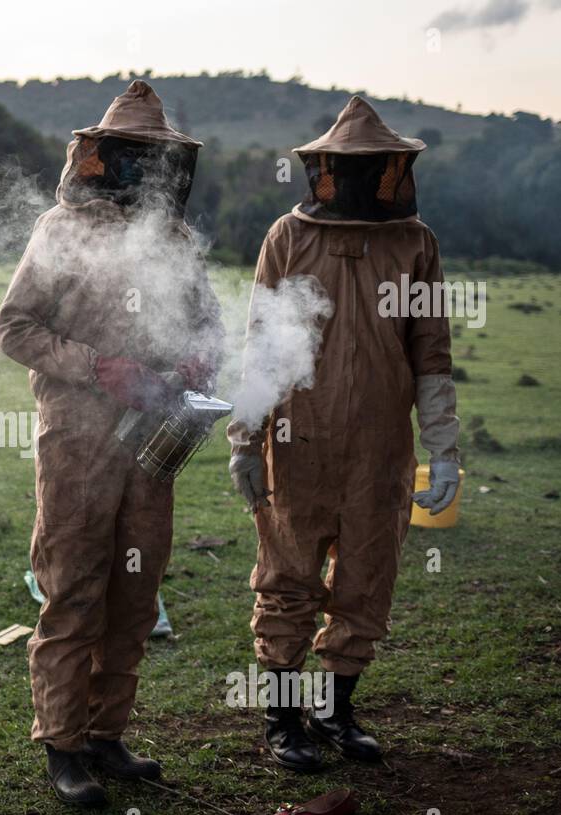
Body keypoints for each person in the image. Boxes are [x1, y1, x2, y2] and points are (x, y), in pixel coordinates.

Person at [0, 81, 223, 807]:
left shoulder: (177, 242)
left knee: (136, 592)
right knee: (73, 591)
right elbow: (14, 328)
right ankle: (63, 747)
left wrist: (197, 359)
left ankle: (105, 735)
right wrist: (99, 368)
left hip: (153, 445)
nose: (145, 172)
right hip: (78, 445)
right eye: (133, 157)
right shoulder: (61, 232)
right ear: (102, 158)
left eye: (156, 160)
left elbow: (209, 323)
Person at [228, 96, 461, 772]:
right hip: (299, 443)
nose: (360, 180)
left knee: (367, 580)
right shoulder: (288, 237)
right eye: (349, 167)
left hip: (382, 449)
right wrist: (246, 439)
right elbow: (262, 346)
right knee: (288, 579)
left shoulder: (415, 242)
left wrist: (444, 449)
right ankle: (282, 719)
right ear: (326, 168)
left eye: (371, 167)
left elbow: (432, 354)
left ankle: (334, 709)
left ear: (392, 169)